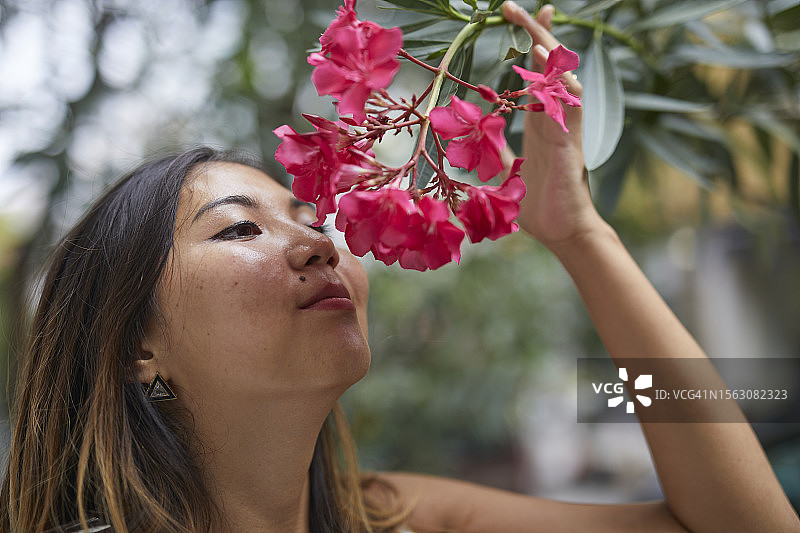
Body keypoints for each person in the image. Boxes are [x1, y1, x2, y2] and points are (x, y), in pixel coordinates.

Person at [2, 2, 798, 532]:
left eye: (317, 215)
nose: (322, 243)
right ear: (139, 344)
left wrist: (581, 234)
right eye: (239, 227)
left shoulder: (396, 515)